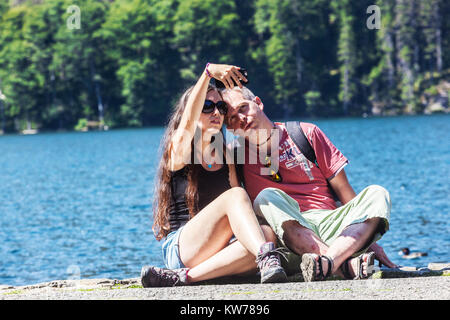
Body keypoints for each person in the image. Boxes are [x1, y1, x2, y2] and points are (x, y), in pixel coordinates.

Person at [221, 85, 399, 282]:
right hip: (286, 240)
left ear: (258, 103)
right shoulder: (234, 154)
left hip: (332, 228)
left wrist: (368, 239)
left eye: (243, 108)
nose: (241, 119)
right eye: (232, 119)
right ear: (230, 129)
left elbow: (344, 192)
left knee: (377, 193)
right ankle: (342, 264)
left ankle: (329, 262)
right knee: (266, 197)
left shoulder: (305, 133)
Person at [140, 63, 287, 287]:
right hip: (181, 248)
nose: (217, 112)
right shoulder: (179, 149)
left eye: (221, 107)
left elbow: (243, 208)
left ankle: (185, 278)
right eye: (207, 106)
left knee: (265, 234)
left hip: (218, 247)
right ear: (193, 109)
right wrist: (207, 73)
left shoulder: (226, 153)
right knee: (236, 196)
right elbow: (188, 122)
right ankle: (265, 258)